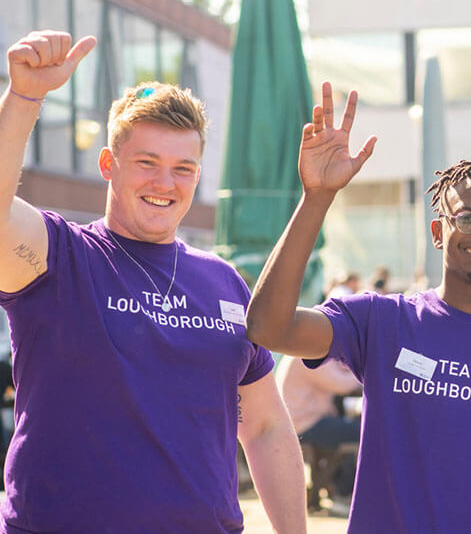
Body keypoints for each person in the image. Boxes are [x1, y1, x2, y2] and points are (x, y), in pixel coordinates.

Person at [245, 83, 471, 533]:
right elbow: (269, 329)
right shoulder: (380, 321)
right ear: (437, 231)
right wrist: (317, 198)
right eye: (466, 217)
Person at [0, 31, 305, 532]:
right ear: (108, 164)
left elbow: (267, 425)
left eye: (183, 169)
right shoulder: (61, 257)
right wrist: (25, 98)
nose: (166, 183)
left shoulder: (225, 283)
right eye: (147, 163)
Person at [277, 355, 362, 505]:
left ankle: (334, 488)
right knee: (364, 433)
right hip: (304, 424)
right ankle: (342, 493)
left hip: (298, 422)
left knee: (350, 429)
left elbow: (338, 372)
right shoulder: (306, 356)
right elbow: (341, 384)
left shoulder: (299, 351)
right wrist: (368, 374)